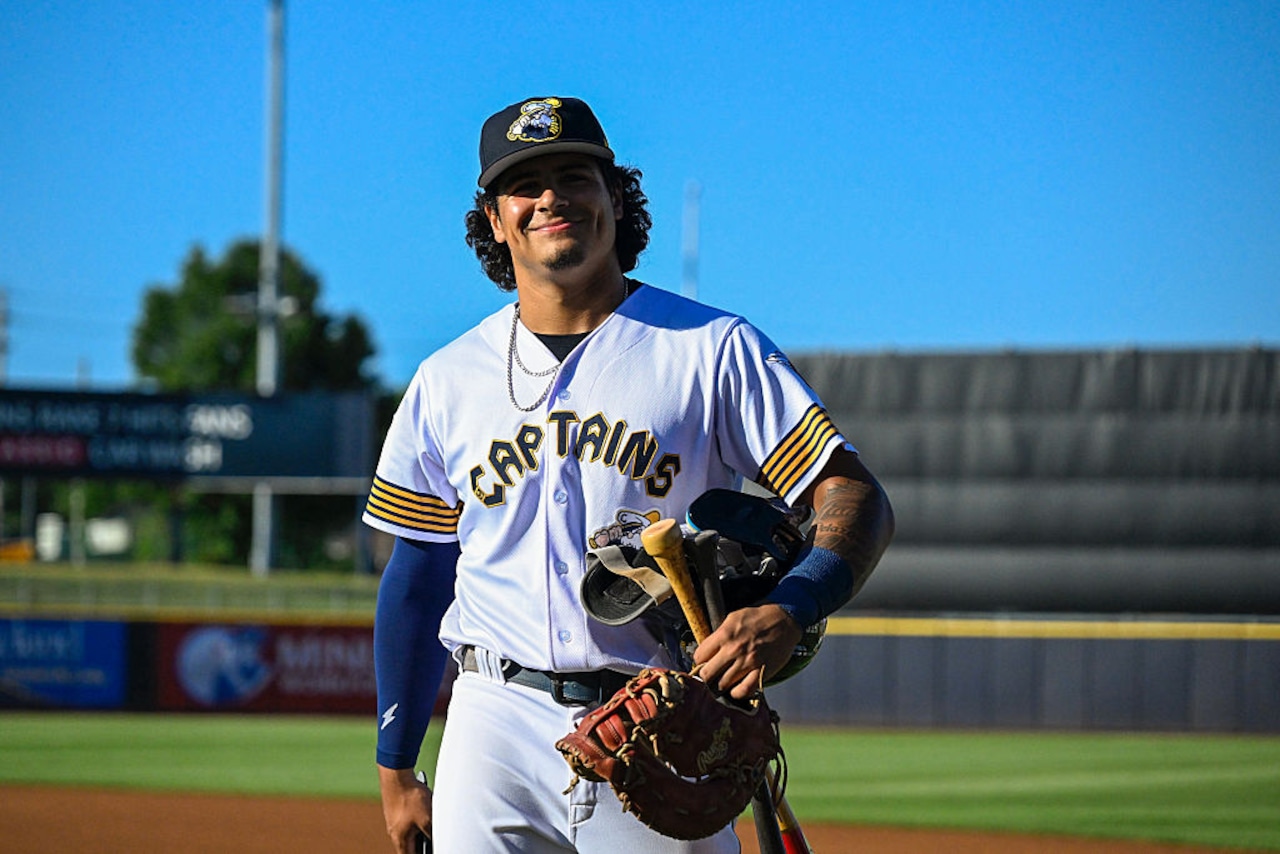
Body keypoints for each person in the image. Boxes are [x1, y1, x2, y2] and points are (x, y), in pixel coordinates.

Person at [364, 95, 894, 854]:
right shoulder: (447, 379)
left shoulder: (710, 348)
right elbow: (417, 577)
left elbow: (853, 493)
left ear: (616, 195)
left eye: (574, 175)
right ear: (493, 217)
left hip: (658, 716)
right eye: (526, 183)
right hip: (490, 723)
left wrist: (793, 606)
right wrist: (396, 767)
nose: (551, 197)